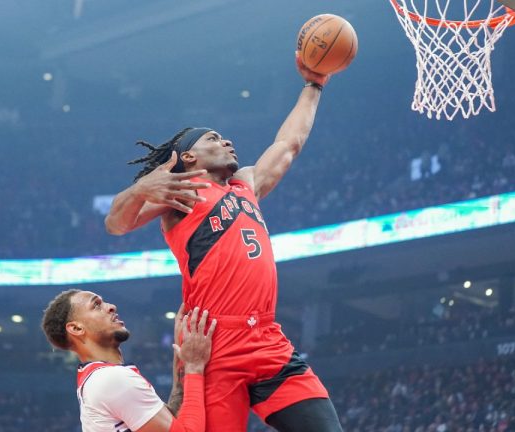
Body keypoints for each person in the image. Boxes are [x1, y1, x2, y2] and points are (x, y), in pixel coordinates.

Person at [104, 52, 342, 432]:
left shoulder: (245, 184)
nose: (227, 140)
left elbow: (289, 143)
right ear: (189, 156)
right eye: (214, 138)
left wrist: (314, 85)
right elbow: (116, 224)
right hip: (214, 345)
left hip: (267, 338)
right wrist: (139, 189)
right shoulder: (179, 192)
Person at [41, 289, 216, 432]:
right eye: (96, 305)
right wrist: (194, 368)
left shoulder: (99, 377)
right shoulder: (111, 379)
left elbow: (168, 422)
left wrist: (182, 357)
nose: (111, 307)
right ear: (77, 328)